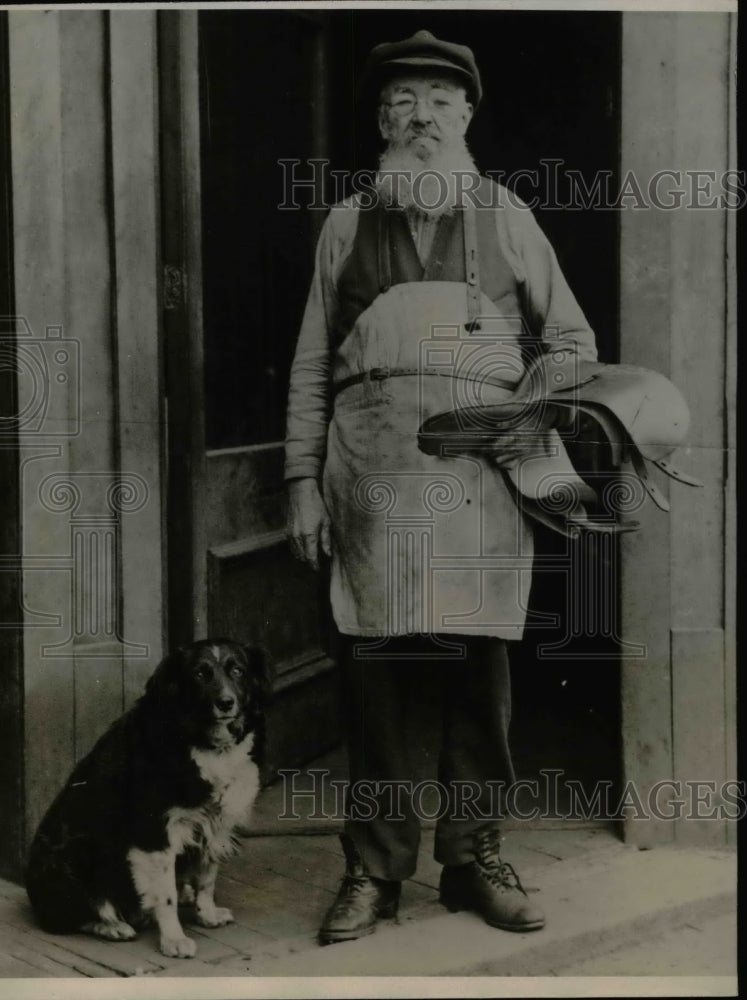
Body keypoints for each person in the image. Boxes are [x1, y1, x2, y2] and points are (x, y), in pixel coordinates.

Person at [284, 29, 598, 945]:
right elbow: (310, 368)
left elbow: (572, 343)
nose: (419, 117)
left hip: (478, 485)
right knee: (376, 676)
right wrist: (301, 481)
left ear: (466, 115)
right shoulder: (345, 223)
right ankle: (372, 872)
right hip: (371, 482)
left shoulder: (504, 215)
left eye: (437, 100)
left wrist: (513, 410)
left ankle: (472, 859)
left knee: (475, 675)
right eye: (401, 101)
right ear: (380, 120)